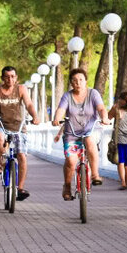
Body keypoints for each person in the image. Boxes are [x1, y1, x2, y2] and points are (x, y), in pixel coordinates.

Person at [52, 68, 109, 201]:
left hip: (90, 130)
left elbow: (101, 108)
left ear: (86, 81)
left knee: (89, 140)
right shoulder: (67, 96)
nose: (78, 82)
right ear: (71, 83)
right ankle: (67, 186)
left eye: (81, 80)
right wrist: (57, 119)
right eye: (75, 80)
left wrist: (104, 117)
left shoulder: (93, 93)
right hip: (71, 134)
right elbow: (61, 109)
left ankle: (95, 175)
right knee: (71, 161)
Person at [0, 66, 40, 200]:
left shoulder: (21, 89)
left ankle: (20, 188)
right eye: (7, 76)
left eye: (13, 76)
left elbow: (29, 104)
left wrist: (35, 116)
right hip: (0, 123)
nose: (10, 79)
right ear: (3, 78)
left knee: (21, 155)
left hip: (18, 126)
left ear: (16, 77)